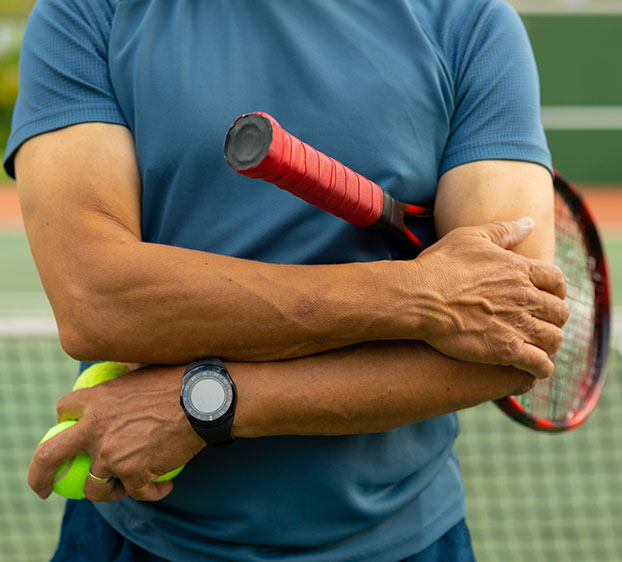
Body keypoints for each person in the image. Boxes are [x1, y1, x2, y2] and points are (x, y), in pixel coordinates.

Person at [5, 0, 568, 560]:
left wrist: (206, 405)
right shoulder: (84, 14)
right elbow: (97, 300)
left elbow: (514, 333)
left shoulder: (471, 24)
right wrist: (421, 294)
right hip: (134, 536)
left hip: (410, 540)